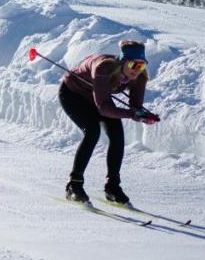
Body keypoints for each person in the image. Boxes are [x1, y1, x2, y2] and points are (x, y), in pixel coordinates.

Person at [59, 39, 158, 205]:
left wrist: (143, 114)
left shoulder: (140, 76)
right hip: (73, 93)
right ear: (123, 61)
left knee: (117, 135)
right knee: (92, 132)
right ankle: (74, 185)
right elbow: (104, 108)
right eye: (134, 65)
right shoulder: (103, 68)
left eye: (141, 66)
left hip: (97, 97)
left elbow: (135, 106)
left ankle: (112, 187)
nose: (137, 70)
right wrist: (132, 114)